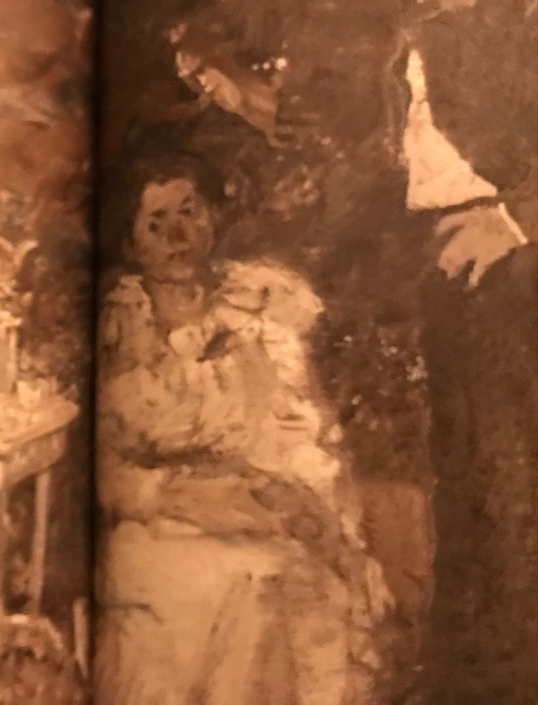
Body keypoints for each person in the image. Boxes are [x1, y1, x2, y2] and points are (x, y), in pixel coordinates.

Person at [93, 172, 391, 705]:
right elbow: (104, 468)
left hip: (262, 504)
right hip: (157, 520)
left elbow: (301, 429)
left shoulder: (258, 308)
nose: (177, 236)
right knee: (241, 586)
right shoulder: (119, 325)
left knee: (293, 580)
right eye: (156, 223)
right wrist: (179, 496)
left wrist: (305, 509)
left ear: (212, 215)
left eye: (189, 212)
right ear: (130, 242)